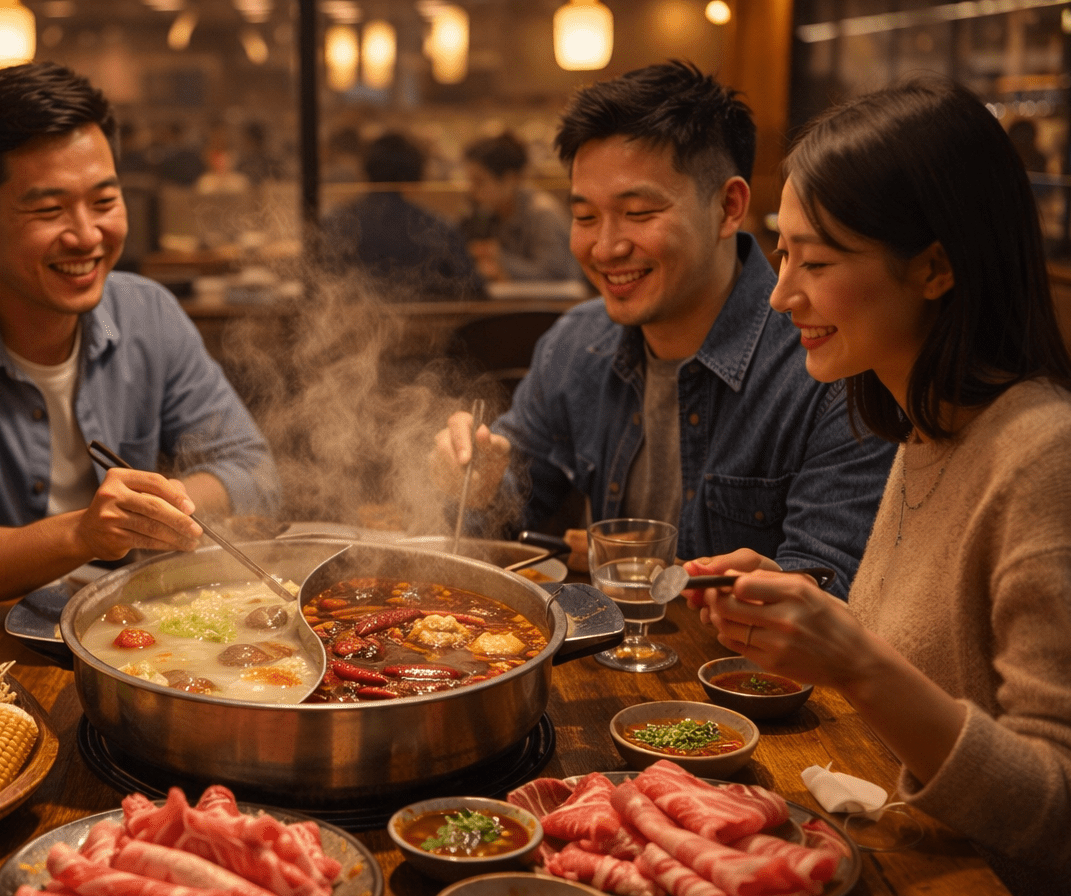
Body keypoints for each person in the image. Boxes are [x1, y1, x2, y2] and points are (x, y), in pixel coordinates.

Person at [687, 79, 1071, 896]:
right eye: (779, 255)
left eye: (816, 264)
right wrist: (814, 615)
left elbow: (1066, 816)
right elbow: (940, 671)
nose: (781, 296)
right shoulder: (923, 427)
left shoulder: (1048, 457)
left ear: (936, 267)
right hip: (914, 882)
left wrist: (856, 661)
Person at [431, 61, 894, 596]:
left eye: (639, 212)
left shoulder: (830, 364)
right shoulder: (577, 344)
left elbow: (830, 595)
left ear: (729, 207)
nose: (606, 247)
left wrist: (676, 576)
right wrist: (479, 486)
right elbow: (501, 531)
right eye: (584, 217)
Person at [0, 63, 279, 621]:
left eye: (104, 201)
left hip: (133, 632)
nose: (87, 236)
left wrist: (158, 508)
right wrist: (88, 531)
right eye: (49, 209)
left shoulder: (148, 313)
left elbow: (253, 469)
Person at [323, 131, 486, 300]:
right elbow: (475, 292)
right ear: (417, 177)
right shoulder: (439, 228)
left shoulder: (334, 223)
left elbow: (316, 284)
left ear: (365, 172)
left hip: (351, 325)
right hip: (429, 326)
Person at [460, 132, 577, 282]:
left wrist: (498, 258)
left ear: (510, 180)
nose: (471, 190)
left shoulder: (542, 214)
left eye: (479, 181)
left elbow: (556, 276)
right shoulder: (489, 213)